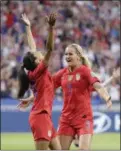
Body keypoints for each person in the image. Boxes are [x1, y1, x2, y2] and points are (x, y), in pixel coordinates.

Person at [18, 43, 114, 150]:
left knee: (83, 149)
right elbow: (45, 88)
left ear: (78, 56)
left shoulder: (85, 71)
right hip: (66, 119)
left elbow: (98, 86)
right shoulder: (62, 73)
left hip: (84, 118)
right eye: (66, 54)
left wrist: (107, 98)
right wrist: (31, 99)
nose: (67, 56)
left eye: (70, 54)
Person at [17, 13, 61, 150]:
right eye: (37, 54)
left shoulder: (32, 71)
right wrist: (51, 28)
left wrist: (28, 27)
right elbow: (50, 48)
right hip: (40, 117)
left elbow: (32, 48)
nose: (39, 52)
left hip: (44, 116)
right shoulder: (40, 70)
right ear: (37, 61)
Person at [73, 67, 120, 148]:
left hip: (83, 114)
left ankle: (80, 141)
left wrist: (112, 77)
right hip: (71, 114)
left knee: (84, 144)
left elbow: (101, 86)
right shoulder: (70, 82)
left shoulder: (88, 86)